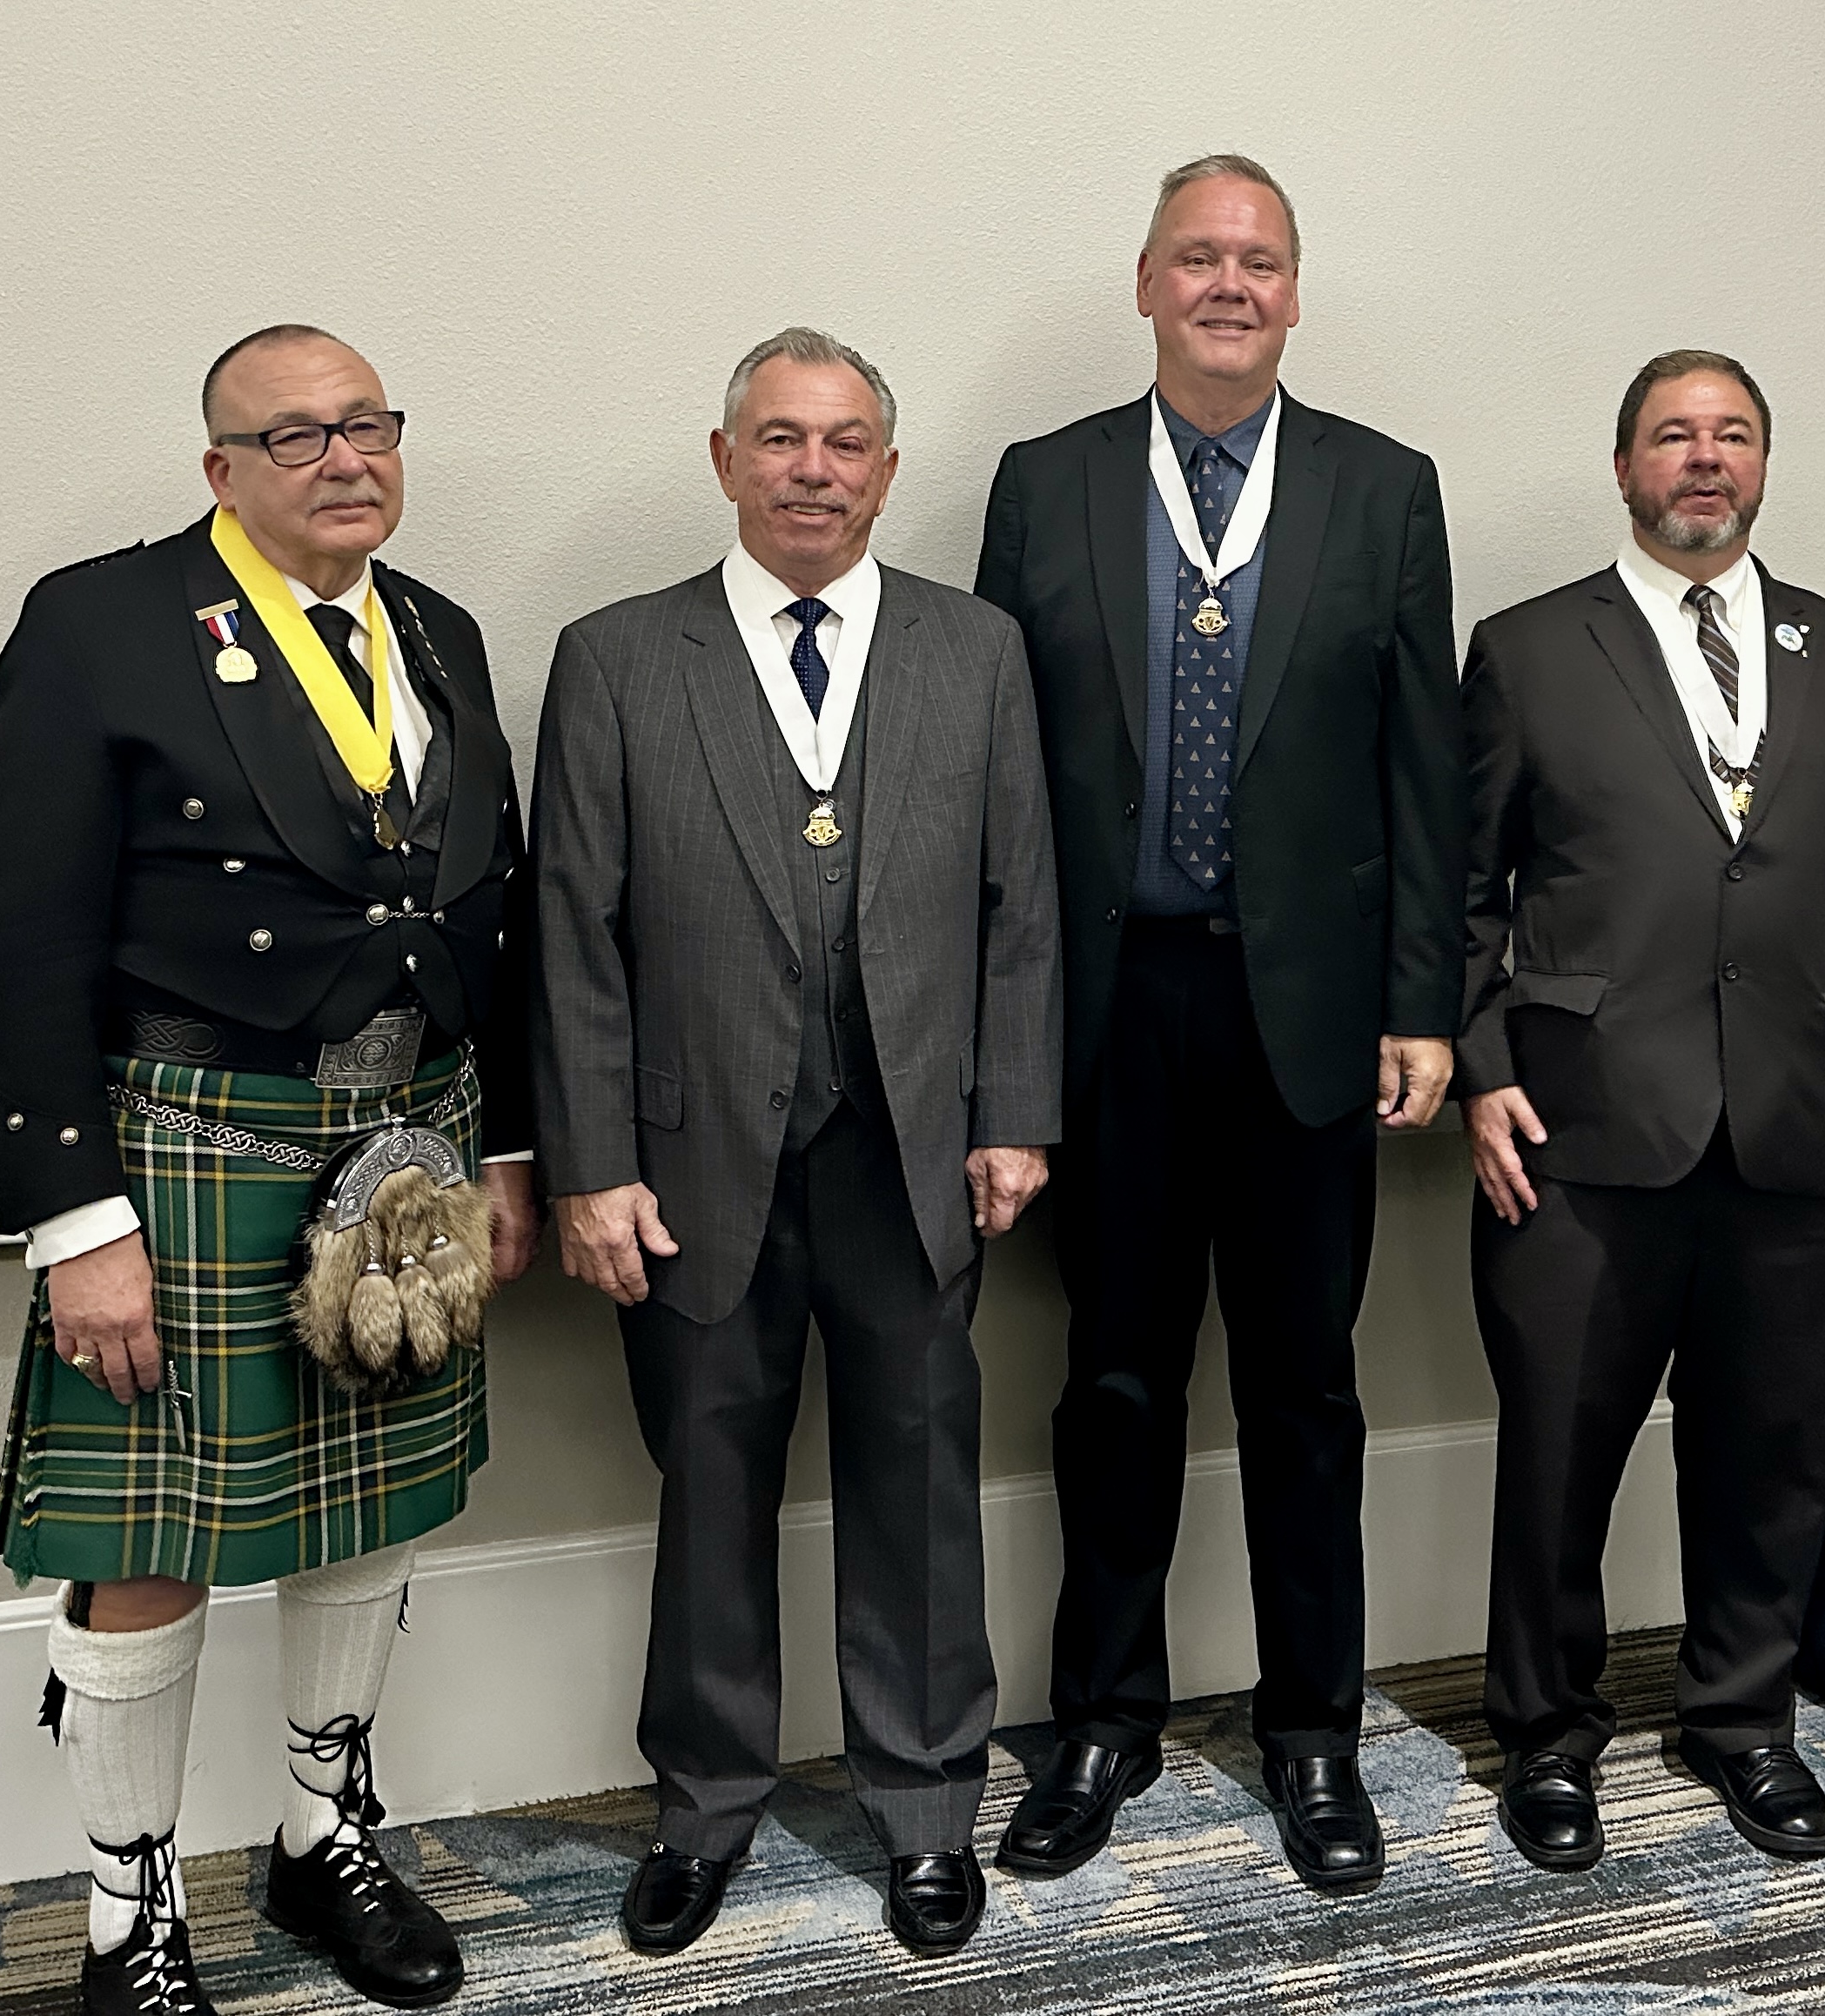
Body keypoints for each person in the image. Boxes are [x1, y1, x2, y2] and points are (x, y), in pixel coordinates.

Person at [0, 324, 540, 2013]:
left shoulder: (437, 629)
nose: (340, 456)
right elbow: (29, 949)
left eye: (365, 422)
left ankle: (319, 1832)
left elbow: (483, 907)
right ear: (217, 467)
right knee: (152, 1533)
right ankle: (123, 1914)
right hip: (192, 1152)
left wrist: (501, 1140)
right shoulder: (102, 627)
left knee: (368, 1510)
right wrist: (81, 1220)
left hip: (408, 1152)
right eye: (292, 435)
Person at [533, 327, 1060, 1959]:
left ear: (888, 473)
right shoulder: (620, 655)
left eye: (843, 444)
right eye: (779, 440)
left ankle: (924, 1811)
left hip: (915, 1156)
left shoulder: (977, 653)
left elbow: (1021, 913)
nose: (812, 470)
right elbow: (573, 930)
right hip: (690, 1170)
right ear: (725, 458)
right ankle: (703, 1807)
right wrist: (592, 1163)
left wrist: (1016, 1117)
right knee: (711, 1490)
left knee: (919, 1490)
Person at [974, 155, 1466, 1894]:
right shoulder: (1041, 487)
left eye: (1258, 259)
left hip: (1308, 1022)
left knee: (1303, 1387)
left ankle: (1310, 1734)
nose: (1228, 283)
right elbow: (997, 784)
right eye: (1199, 255)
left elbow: (1425, 771)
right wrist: (1001, 1031)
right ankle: (1099, 1720)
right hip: (1108, 1015)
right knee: (1107, 1382)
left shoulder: (1382, 487)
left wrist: (1424, 1004)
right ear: (1144, 283)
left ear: (1292, 292)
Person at [1459, 349, 1825, 1872]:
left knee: (1773, 1445)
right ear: (1624, 467)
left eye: (1733, 435)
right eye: (1674, 435)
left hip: (1799, 1124)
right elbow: (1464, 896)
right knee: (1559, 1453)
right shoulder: (1531, 648)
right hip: (1582, 1129)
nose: (1705, 459)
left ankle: (1743, 1721)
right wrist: (1483, 1072)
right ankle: (1546, 1732)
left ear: (1762, 467)